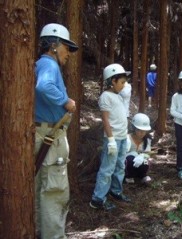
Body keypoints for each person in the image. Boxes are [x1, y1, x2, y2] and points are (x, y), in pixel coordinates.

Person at [35, 23, 78, 239]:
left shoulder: (44, 64)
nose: (68, 53)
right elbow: (43, 87)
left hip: (46, 137)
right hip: (50, 139)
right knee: (54, 192)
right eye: (66, 48)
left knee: (44, 189)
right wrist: (66, 101)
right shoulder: (49, 65)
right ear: (53, 45)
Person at [90, 63, 132, 211]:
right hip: (112, 139)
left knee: (120, 166)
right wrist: (111, 140)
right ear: (112, 81)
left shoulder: (118, 96)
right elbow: (106, 120)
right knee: (107, 169)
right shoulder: (106, 96)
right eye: (121, 82)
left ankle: (116, 191)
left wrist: (125, 136)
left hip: (121, 137)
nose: (124, 85)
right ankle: (98, 199)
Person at [125, 113, 153, 183]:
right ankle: (129, 176)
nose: (142, 133)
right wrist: (133, 154)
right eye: (139, 130)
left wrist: (142, 156)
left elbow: (148, 153)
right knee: (130, 159)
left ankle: (142, 175)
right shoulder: (128, 138)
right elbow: (124, 152)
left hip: (140, 160)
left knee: (146, 162)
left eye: (144, 131)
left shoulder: (147, 140)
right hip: (127, 162)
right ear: (134, 128)